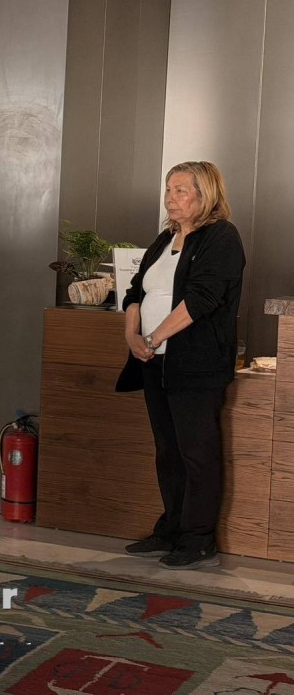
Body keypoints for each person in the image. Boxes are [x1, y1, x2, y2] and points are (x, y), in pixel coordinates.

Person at [116, 161, 245, 570]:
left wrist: (153, 338)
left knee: (197, 453)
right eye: (168, 190)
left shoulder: (221, 237)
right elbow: (134, 293)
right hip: (154, 362)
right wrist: (132, 336)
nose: (170, 198)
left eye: (180, 190)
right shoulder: (165, 238)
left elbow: (201, 300)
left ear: (205, 195)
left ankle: (198, 539)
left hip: (195, 364)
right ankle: (171, 528)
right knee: (168, 451)